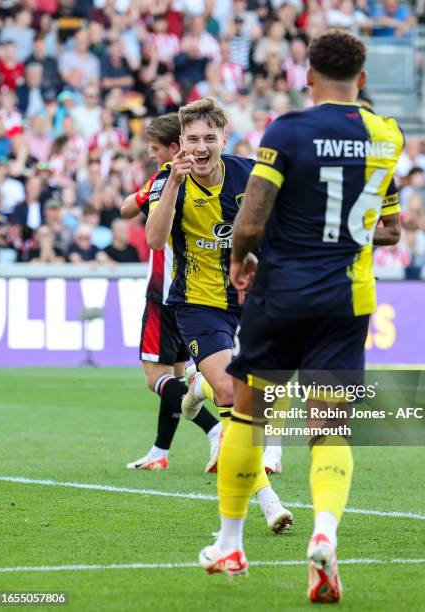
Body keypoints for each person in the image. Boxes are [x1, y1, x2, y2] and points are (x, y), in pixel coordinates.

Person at [198, 29, 403, 604]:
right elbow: (390, 224)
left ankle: (231, 543)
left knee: (249, 416)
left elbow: (253, 216)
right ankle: (324, 533)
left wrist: (240, 261)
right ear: (362, 79)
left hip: (282, 295)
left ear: (308, 76)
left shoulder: (288, 130)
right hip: (348, 299)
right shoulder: (388, 135)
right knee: (330, 428)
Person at [146, 97, 292, 533]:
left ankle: (196, 386)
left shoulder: (250, 174)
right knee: (232, 393)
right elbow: (155, 240)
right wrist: (172, 183)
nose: (201, 147)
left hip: (252, 295)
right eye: (192, 139)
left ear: (224, 139)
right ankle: (268, 501)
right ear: (181, 144)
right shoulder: (166, 180)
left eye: (210, 138)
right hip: (198, 302)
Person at [121, 113, 221, 472]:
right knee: (175, 376)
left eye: (155, 148)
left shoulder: (166, 178)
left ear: (174, 148)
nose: (151, 154)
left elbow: (126, 208)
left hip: (165, 289)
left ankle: (215, 428)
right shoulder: (211, 179)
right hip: (193, 290)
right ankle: (160, 451)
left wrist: (152, 182)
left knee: (156, 378)